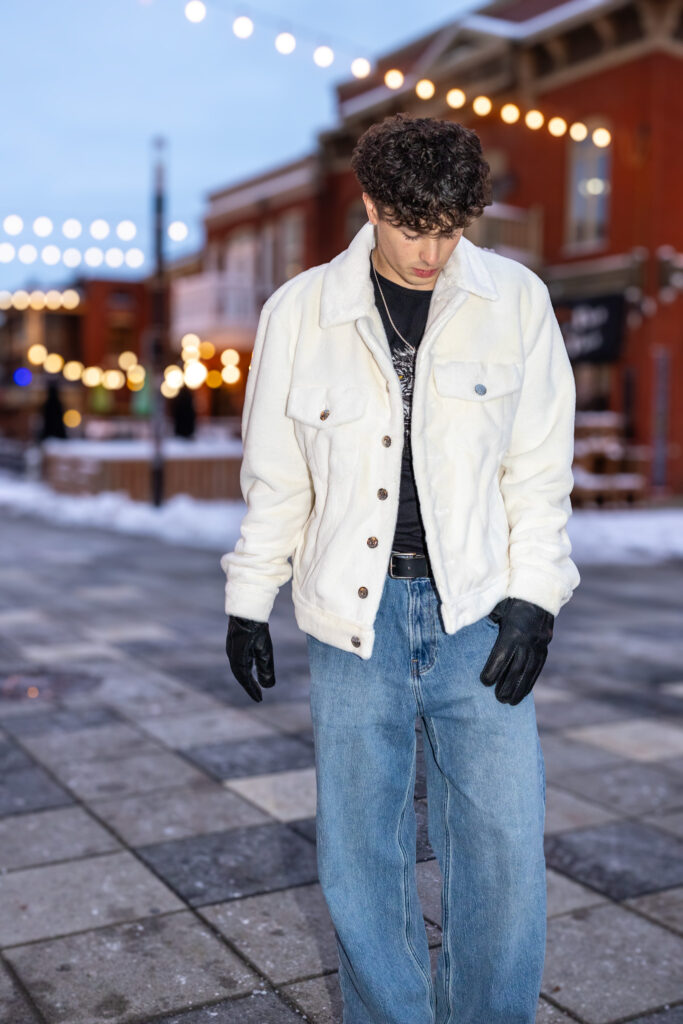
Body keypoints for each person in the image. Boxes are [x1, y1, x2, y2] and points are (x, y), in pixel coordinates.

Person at [222, 113, 580, 1024]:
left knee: (501, 844)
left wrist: (534, 598)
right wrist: (247, 600)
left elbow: (536, 470)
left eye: (450, 229)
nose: (431, 253)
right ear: (370, 203)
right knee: (359, 851)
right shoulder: (299, 311)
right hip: (352, 616)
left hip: (477, 610)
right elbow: (278, 475)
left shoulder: (516, 300)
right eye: (411, 227)